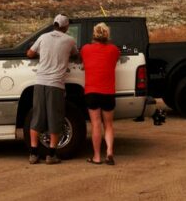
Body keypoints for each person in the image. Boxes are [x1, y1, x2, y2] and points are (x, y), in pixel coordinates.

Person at [26, 14, 78, 165]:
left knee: (37, 117)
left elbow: (29, 53)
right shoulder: (69, 40)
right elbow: (76, 54)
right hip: (55, 85)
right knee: (55, 118)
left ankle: (33, 154)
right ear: (66, 27)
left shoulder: (43, 37)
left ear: (54, 24)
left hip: (40, 82)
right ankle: (51, 154)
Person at [80, 22, 120, 165]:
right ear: (107, 35)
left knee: (96, 124)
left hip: (92, 91)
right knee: (108, 124)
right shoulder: (114, 50)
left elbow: (84, 64)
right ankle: (109, 152)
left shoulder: (85, 49)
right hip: (108, 91)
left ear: (94, 34)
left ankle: (96, 157)